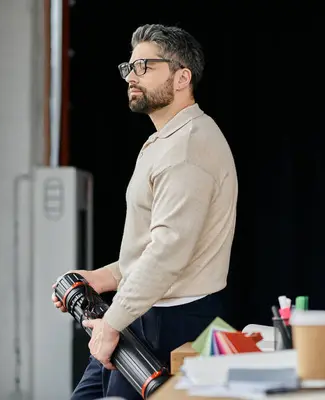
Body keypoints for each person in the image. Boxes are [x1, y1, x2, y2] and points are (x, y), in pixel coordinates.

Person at [52, 23, 238, 400]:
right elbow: (149, 248)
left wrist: (111, 324)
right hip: (140, 311)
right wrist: (101, 277)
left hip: (171, 321)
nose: (132, 76)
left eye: (146, 67)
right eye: (129, 67)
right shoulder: (162, 141)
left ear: (182, 77)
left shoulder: (187, 149)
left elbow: (168, 254)